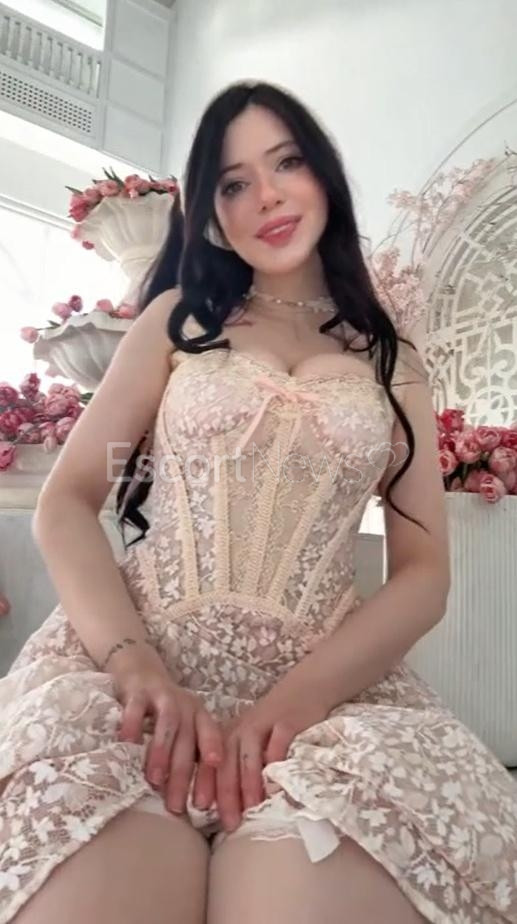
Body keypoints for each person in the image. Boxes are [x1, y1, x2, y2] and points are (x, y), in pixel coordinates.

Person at [0, 80, 515, 924]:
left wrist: (296, 701)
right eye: (234, 183)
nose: (266, 196)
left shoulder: (393, 361)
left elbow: (423, 573)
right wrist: (132, 663)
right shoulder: (178, 320)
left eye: (286, 163)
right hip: (139, 687)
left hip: (320, 708)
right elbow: (68, 502)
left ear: (324, 176)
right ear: (209, 210)